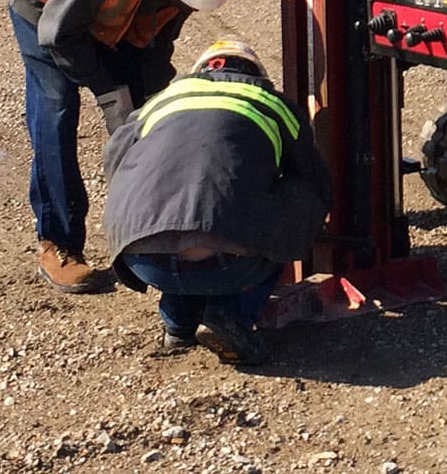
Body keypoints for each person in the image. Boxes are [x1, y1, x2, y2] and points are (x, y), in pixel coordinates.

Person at [4, 0, 236, 293]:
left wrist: (155, 107)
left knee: (149, 109)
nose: (182, 10)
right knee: (57, 106)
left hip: (90, 0)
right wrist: (106, 89)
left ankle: (155, 232)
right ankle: (57, 243)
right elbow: (59, 35)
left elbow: (156, 46)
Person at [103, 40, 332, 366]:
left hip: (143, 258)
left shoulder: (161, 101)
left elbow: (114, 158)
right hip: (229, 263)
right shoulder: (272, 102)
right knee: (296, 200)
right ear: (256, 75)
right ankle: (231, 315)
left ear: (201, 70)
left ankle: (178, 324)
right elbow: (313, 180)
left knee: (182, 226)